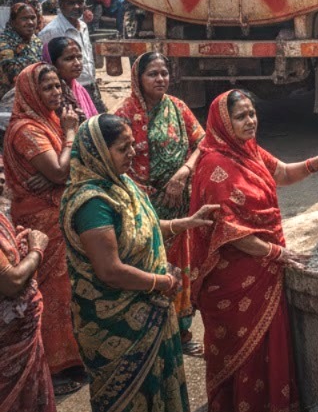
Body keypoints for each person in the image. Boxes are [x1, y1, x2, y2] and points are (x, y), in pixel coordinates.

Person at [188, 89, 318, 412]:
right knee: (243, 353)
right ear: (223, 121)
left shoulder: (247, 150)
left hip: (262, 267)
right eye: (241, 116)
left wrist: (315, 162)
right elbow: (230, 232)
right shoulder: (214, 166)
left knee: (268, 347)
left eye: (252, 114)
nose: (250, 121)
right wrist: (277, 254)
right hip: (235, 279)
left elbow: (281, 173)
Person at [59, 114, 219, 412]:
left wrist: (188, 222)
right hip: (117, 326)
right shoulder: (92, 203)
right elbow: (110, 271)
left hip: (151, 311)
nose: (132, 154)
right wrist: (163, 282)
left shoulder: (119, 183)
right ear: (97, 152)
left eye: (133, 145)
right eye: (123, 148)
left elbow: (144, 224)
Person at [115, 53, 206, 355]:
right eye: (152, 74)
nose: (160, 79)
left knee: (183, 268)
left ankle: (181, 332)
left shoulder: (178, 108)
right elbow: (117, 165)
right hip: (143, 206)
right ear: (137, 79)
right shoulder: (124, 115)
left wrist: (183, 173)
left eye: (164, 73)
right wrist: (149, 193)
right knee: (151, 268)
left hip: (180, 204)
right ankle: (153, 336)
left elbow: (202, 143)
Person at [2, 62, 84, 395]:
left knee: (69, 289)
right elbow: (60, 171)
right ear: (31, 92)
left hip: (58, 213)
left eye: (57, 86)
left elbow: (67, 167)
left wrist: (62, 168)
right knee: (53, 291)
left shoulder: (48, 118)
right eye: (47, 88)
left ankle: (71, 357)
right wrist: (69, 135)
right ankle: (55, 364)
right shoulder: (26, 129)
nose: (56, 93)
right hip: (40, 221)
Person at [0, 178, 56, 412]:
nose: (4, 178)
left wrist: (16, 245)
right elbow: (11, 282)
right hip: (8, 343)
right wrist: (36, 250)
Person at [38, 0, 106, 113]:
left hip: (89, 84)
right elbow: (46, 62)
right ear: (61, 5)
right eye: (71, 3)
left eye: (80, 2)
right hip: (66, 88)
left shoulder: (83, 26)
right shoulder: (52, 31)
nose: (76, 7)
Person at [44, 37, 99, 124]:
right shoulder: (48, 95)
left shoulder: (79, 89)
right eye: (69, 59)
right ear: (52, 63)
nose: (77, 63)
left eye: (79, 57)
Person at [0, 1, 43, 97]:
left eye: (33, 18)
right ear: (13, 21)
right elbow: (11, 71)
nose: (30, 23)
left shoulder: (36, 41)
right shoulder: (3, 42)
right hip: (9, 98)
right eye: (24, 18)